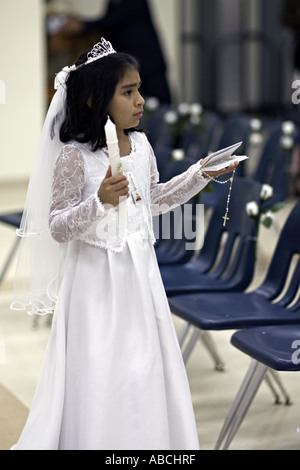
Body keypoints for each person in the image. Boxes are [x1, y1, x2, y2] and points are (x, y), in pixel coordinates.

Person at [11, 38, 237, 450]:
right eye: (128, 92)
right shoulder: (74, 156)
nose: (140, 100)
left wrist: (200, 174)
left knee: (142, 365)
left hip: (139, 273)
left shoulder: (143, 144)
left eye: (139, 90)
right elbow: (59, 227)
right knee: (100, 368)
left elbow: (155, 199)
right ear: (96, 97)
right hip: (95, 281)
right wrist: (99, 202)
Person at [55, 0, 172, 104]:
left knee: (162, 108)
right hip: (130, 66)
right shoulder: (112, 3)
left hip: (149, 66)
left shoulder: (135, 2)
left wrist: (83, 26)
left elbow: (112, 21)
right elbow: (107, 30)